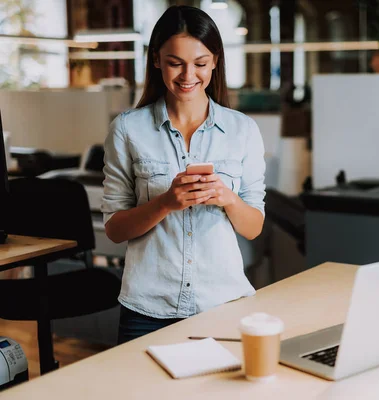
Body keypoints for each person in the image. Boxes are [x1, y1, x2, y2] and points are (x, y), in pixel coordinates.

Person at [101, 5, 266, 344]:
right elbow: (115, 229)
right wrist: (164, 203)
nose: (188, 75)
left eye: (200, 63)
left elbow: (253, 227)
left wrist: (227, 198)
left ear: (216, 61)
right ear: (157, 60)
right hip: (147, 310)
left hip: (223, 303)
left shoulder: (243, 130)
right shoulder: (127, 129)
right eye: (175, 63)